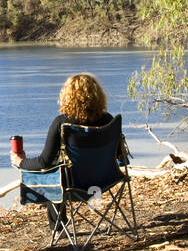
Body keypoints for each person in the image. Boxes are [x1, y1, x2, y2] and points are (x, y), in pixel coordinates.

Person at [11, 73, 114, 229]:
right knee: (56, 166)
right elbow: (119, 155)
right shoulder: (108, 121)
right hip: (106, 180)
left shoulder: (62, 123)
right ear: (98, 94)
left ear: (67, 96)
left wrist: (21, 162)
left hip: (75, 185)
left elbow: (43, 162)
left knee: (52, 170)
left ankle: (59, 226)